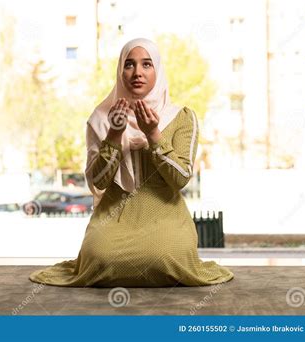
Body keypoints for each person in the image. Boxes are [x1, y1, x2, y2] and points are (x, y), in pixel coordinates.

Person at [29, 38, 234, 287]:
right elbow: (98, 181)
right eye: (129, 64)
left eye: (146, 64)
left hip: (165, 214)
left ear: (157, 70)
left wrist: (154, 135)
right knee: (99, 258)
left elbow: (180, 179)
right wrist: (114, 134)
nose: (137, 72)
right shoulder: (100, 118)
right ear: (120, 71)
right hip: (114, 215)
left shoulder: (181, 117)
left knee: (165, 256)